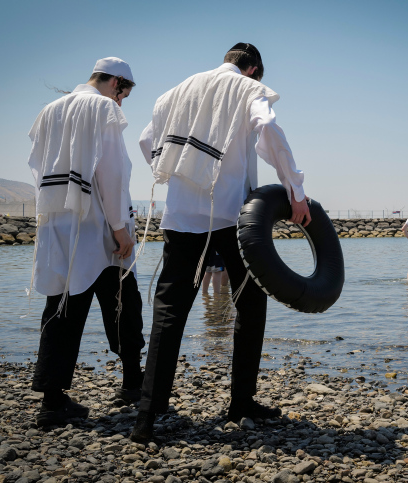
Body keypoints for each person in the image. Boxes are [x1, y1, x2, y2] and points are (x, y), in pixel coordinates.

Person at [132, 43, 310, 441]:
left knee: (170, 312)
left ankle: (146, 417)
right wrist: (295, 190)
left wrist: (182, 173)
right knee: (250, 303)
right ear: (254, 70)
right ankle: (240, 404)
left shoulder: (177, 91)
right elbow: (268, 130)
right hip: (232, 214)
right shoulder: (248, 90)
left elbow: (147, 142)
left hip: (180, 215)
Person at [27, 57, 145, 427]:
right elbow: (111, 171)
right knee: (124, 303)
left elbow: (37, 161)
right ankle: (131, 383)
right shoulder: (103, 107)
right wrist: (119, 227)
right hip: (98, 226)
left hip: (58, 223)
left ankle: (52, 401)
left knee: (61, 308)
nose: (121, 102)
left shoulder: (50, 109)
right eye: (123, 93)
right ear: (115, 83)